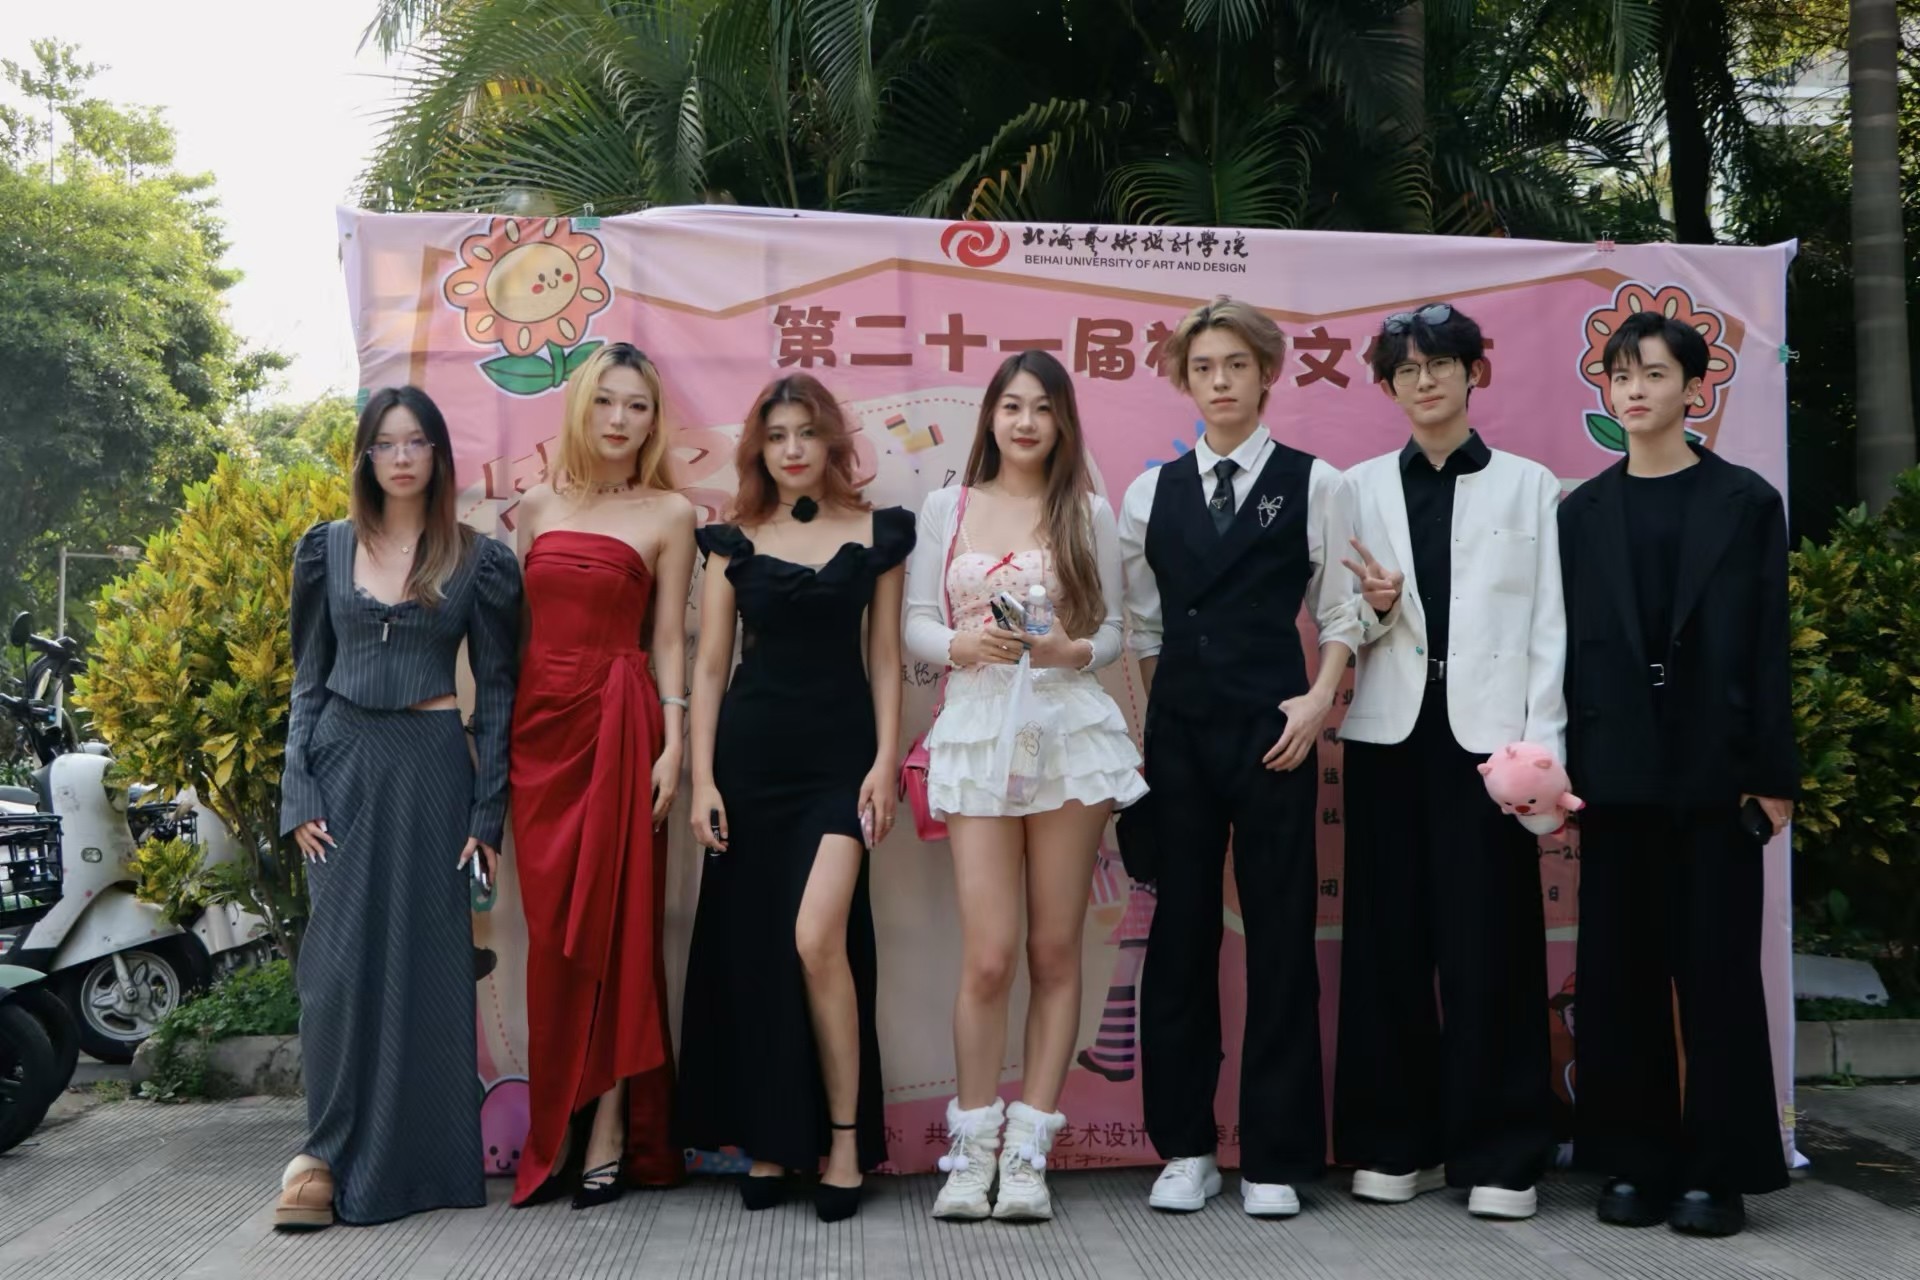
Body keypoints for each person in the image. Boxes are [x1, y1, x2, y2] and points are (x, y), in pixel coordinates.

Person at [1116, 296, 1360, 1218]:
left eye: (1236, 365)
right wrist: (1163, 712)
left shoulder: (1315, 482)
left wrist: (1317, 698)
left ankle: (1275, 1156)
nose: (1219, 382)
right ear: (1185, 380)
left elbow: (1342, 611)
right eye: (1203, 367)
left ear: (1266, 375)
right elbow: (1142, 627)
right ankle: (1184, 1148)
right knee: (1179, 937)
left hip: (1276, 733)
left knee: (1281, 937)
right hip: (1179, 737)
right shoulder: (1151, 494)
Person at [1558, 311, 1797, 1238]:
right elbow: (1566, 651)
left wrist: (1772, 775)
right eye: (1621, 376)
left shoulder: (1745, 501)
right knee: (1619, 976)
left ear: (1695, 389)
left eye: (1654, 374)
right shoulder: (1582, 512)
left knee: (1717, 976)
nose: (1635, 390)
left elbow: (1768, 646)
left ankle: (1718, 1173)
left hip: (1715, 773)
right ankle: (1635, 1162)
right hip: (1614, 773)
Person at [1332, 301, 1564, 1221]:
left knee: (1491, 948)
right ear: (1388, 387)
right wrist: (1377, 608)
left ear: (1474, 373)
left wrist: (1541, 756)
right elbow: (1336, 623)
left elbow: (1550, 630)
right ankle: (1399, 1143)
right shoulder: (1356, 488)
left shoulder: (1530, 486)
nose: (1423, 381)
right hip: (1389, 739)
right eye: (1405, 370)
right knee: (1386, 944)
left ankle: (1503, 1154)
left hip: (1491, 751)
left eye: (1439, 364)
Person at [904, 350, 1147, 1223]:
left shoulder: (1087, 511)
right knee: (990, 955)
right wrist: (959, 647)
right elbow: (917, 621)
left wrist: (1072, 651)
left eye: (1043, 408)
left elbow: (1113, 630)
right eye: (1012, 406)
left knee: (1053, 950)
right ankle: (971, 1150)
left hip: (1065, 733)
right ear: (991, 417)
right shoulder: (947, 507)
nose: (1026, 422)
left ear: (1062, 421)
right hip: (977, 731)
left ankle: (1028, 1151)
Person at [275, 386, 522, 1229]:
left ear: (439, 456)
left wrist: (487, 815)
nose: (403, 457)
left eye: (417, 442)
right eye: (386, 443)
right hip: (342, 763)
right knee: (335, 973)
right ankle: (322, 1154)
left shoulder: (479, 561)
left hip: (431, 768)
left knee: (427, 966)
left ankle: (420, 1163)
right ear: (366, 457)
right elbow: (307, 678)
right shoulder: (326, 549)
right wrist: (297, 788)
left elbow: (496, 695)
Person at [677, 373, 913, 1223]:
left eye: (807, 432)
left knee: (818, 940)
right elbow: (711, 667)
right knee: (757, 952)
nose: (793, 449)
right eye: (776, 436)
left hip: (839, 766)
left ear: (832, 442)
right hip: (749, 765)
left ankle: (844, 1140)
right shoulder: (731, 541)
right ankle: (772, 1140)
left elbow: (884, 658)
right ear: (759, 449)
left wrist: (885, 761)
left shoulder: (880, 533)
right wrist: (704, 778)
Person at [509, 343, 696, 1210]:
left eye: (638, 406)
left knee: (622, 928)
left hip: (623, 728)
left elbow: (669, 640)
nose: (620, 420)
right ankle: (557, 1124)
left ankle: (613, 1123)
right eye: (606, 402)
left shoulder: (671, 513)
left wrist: (674, 743)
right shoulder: (536, 506)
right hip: (539, 737)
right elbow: (520, 634)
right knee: (553, 941)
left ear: (655, 422)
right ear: (581, 407)